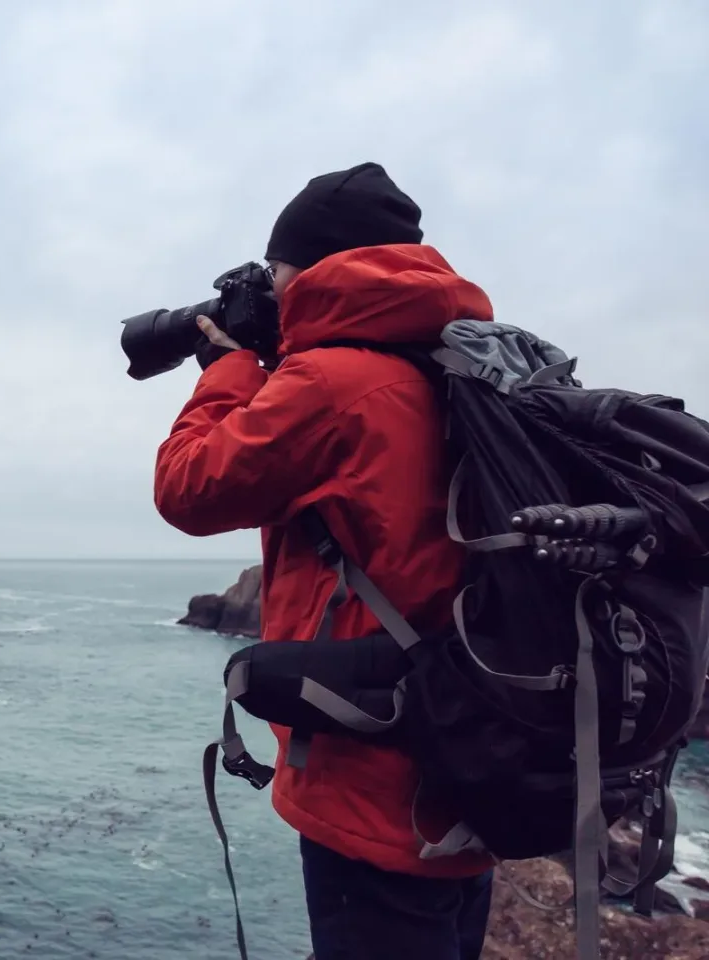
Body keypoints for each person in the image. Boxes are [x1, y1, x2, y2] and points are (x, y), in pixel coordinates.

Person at [153, 162, 498, 960]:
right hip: (471, 762)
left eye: (275, 273)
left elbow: (187, 488)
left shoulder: (334, 383)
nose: (270, 290)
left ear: (311, 268)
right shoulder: (457, 367)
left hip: (372, 788)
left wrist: (232, 366)